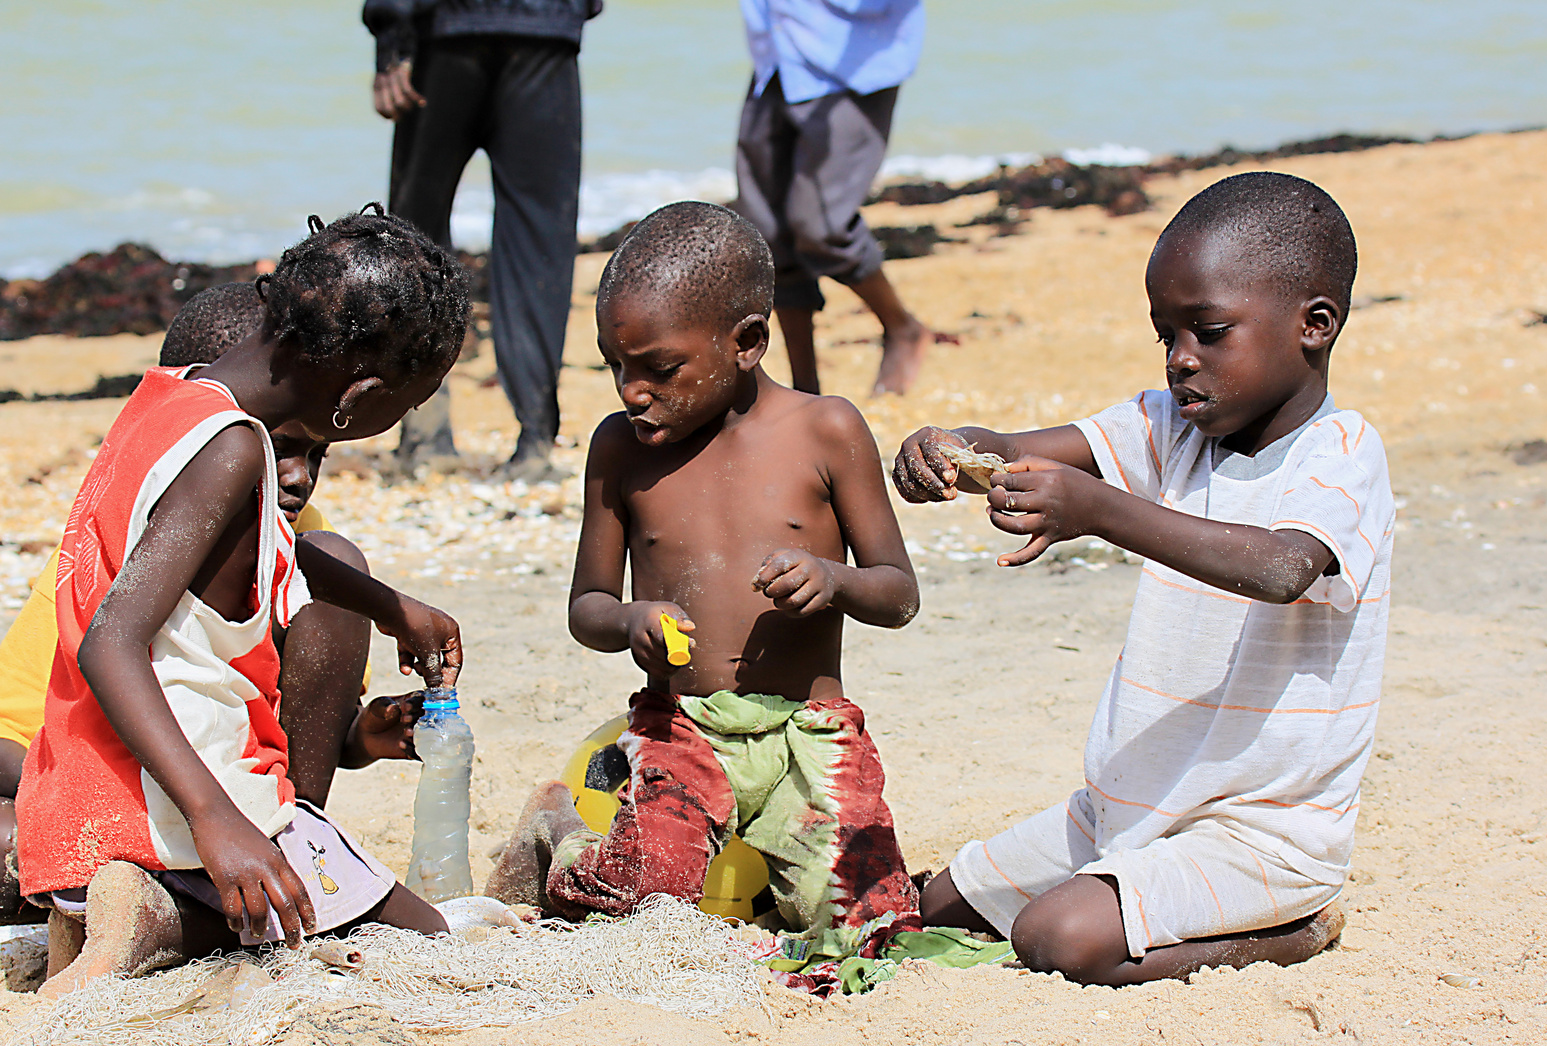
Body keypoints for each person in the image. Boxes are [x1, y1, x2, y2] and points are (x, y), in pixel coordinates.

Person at [891, 172, 1393, 985]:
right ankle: (1119, 879)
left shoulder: (1341, 455)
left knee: (1058, 939)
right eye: (1166, 334)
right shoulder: (1171, 429)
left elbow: (1282, 567)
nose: (1180, 360)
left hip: (1259, 836)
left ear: (1316, 325)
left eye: (1210, 330)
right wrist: (953, 446)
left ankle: (1290, 932)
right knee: (924, 908)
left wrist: (1102, 512)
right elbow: (1023, 447)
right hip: (1125, 812)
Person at [18, 207, 470, 997]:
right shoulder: (233, 451)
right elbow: (109, 642)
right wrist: (216, 818)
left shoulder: (172, 398)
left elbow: (249, 556)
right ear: (358, 394)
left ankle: (117, 914)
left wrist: (391, 606)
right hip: (173, 807)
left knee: (327, 906)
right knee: (418, 929)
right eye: (407, 404)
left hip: (80, 799)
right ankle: (154, 919)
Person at [485, 202, 919, 933]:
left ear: (747, 342)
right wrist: (631, 620)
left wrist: (834, 580)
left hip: (807, 734)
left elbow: (898, 593)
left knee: (867, 920)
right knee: (641, 897)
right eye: (615, 367)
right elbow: (587, 606)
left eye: (659, 368)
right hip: (682, 729)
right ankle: (559, 834)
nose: (631, 391)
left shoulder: (826, 429)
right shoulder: (620, 451)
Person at [364, 0, 602, 482]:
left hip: (447, 29)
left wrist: (392, 41)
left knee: (415, 239)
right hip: (546, 30)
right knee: (541, 237)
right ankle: (535, 443)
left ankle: (423, 438)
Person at [734, 0, 931, 397]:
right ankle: (805, 391)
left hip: (851, 62)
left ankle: (901, 327)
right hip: (775, 57)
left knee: (822, 226)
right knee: (765, 232)